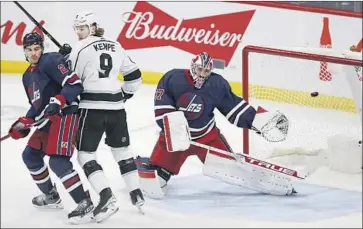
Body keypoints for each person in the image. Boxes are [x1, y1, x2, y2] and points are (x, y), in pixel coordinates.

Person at [136, 52, 293, 198]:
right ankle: (152, 167)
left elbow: (233, 107)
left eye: (205, 71)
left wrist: (256, 121)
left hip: (207, 138)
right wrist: (174, 127)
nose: (202, 74)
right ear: (192, 66)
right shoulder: (173, 78)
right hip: (177, 140)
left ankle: (273, 184)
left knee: (232, 169)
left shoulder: (216, 84)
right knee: (158, 179)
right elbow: (162, 105)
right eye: (199, 69)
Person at [64, 11, 144, 222]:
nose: (79, 33)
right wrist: (123, 95)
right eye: (77, 29)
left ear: (92, 27)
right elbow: (135, 77)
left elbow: (71, 80)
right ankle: (136, 193)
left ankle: (106, 195)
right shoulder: (116, 45)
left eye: (82, 28)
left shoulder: (79, 48)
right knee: (122, 150)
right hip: (117, 108)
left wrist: (64, 58)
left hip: (91, 108)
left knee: (85, 155)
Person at [8, 32, 94, 224]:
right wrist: (25, 121)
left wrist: (59, 101)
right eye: (29, 50)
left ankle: (85, 202)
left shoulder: (50, 60)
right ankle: (51, 196)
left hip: (65, 114)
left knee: (58, 162)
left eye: (37, 48)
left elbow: (74, 85)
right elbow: (38, 105)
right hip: (49, 118)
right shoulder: (26, 76)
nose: (33, 53)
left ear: (42, 48)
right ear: (24, 51)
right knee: (30, 155)